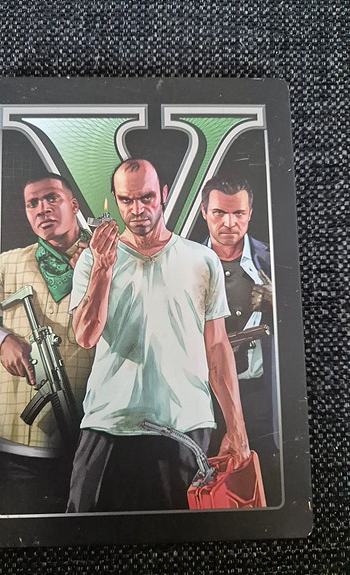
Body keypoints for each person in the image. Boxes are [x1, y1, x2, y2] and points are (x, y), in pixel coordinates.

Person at [66, 159, 250, 513]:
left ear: (163, 193)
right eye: (126, 200)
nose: (137, 209)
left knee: (182, 540)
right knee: (83, 537)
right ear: (116, 200)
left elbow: (217, 346)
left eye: (147, 197)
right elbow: (86, 336)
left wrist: (236, 427)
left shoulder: (202, 260)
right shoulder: (93, 260)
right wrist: (103, 267)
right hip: (108, 424)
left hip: (184, 428)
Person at [0, 173, 95, 514]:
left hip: (91, 439)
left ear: (74, 204)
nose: (42, 209)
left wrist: (98, 271)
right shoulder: (7, 263)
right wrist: (2, 340)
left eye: (52, 198)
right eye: (32, 203)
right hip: (19, 445)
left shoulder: (108, 259)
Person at [200, 174, 281, 506]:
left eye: (238, 213)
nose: (229, 223)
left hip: (260, 395)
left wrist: (280, 302)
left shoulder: (274, 260)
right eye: (219, 212)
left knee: (264, 488)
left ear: (250, 213)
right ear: (204, 212)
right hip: (205, 397)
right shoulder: (186, 262)